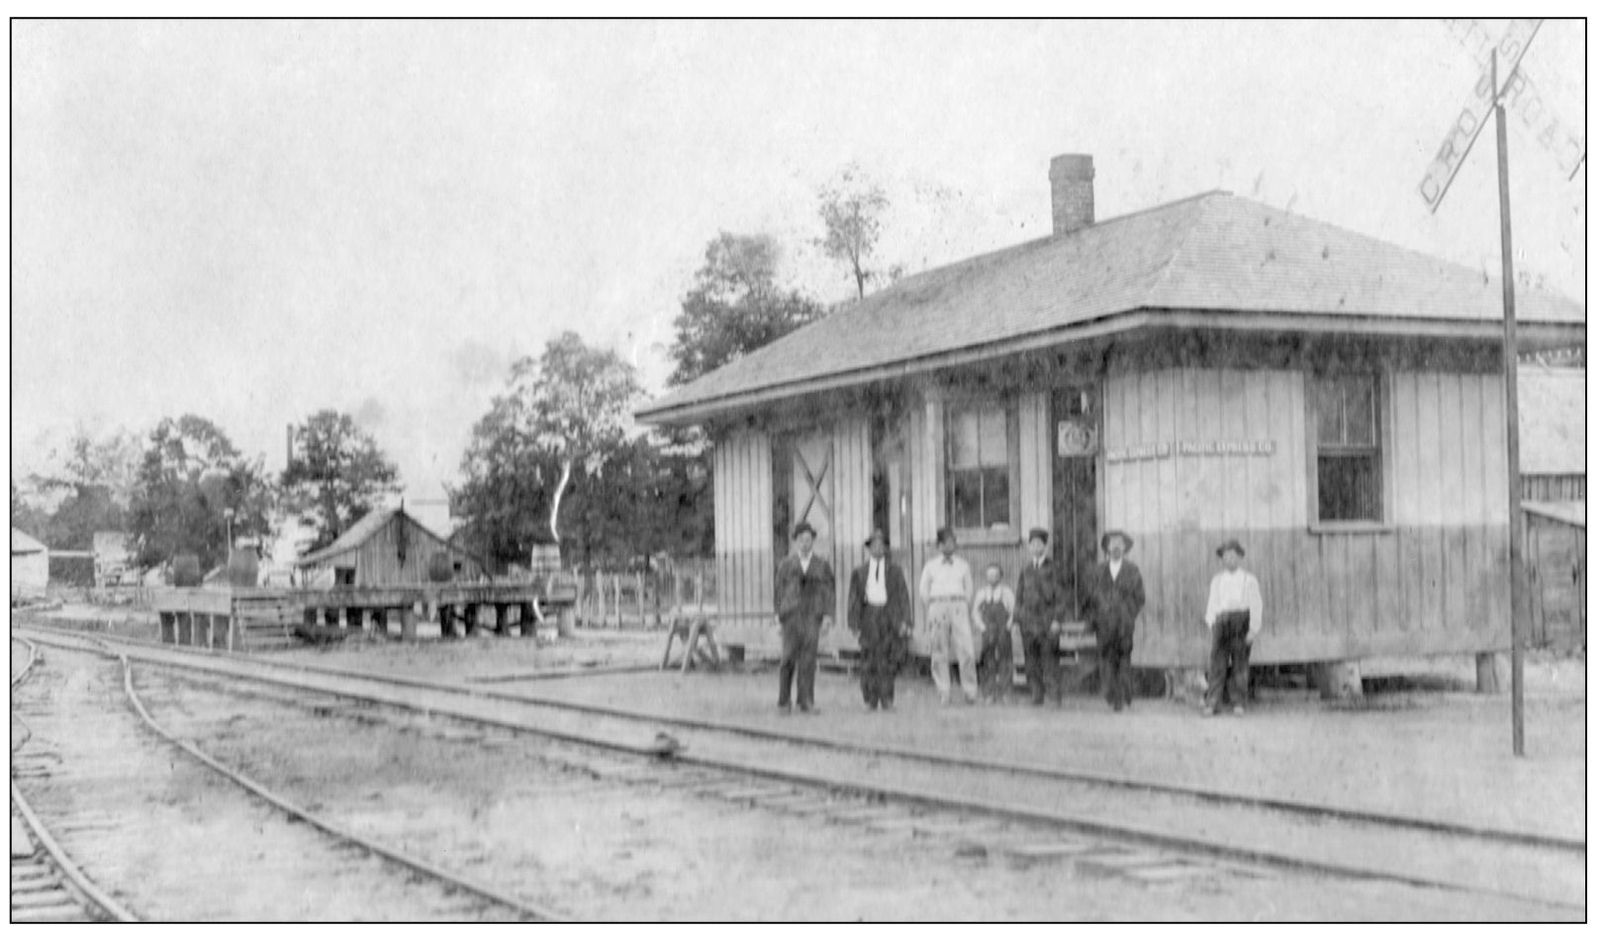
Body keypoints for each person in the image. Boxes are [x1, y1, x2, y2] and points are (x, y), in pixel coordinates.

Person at [773, 521, 835, 714]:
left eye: (808, 540)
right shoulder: (785, 564)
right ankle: (784, 702)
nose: (805, 543)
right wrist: (777, 616)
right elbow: (778, 592)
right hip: (791, 616)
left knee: (808, 661)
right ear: (796, 542)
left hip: (812, 618)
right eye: (801, 540)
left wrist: (827, 616)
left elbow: (830, 592)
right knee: (787, 659)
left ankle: (806, 701)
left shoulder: (822, 565)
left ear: (813, 541)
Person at [847, 528, 911, 711]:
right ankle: (869, 700)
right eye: (874, 546)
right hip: (869, 616)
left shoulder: (895, 571)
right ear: (868, 549)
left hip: (888, 616)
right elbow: (854, 598)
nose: (877, 549)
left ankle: (887, 699)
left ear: (886, 549)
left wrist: (905, 621)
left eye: (881, 545)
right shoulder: (860, 572)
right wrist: (854, 623)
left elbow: (903, 596)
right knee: (868, 659)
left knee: (887, 659)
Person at [1082, 530, 1145, 711]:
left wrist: (1127, 614)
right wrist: (1096, 617)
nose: (1116, 547)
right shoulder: (1098, 571)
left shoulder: (1132, 570)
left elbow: (1139, 597)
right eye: (1112, 543)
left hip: (1124, 624)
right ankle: (1111, 697)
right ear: (1107, 548)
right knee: (1106, 660)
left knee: (1124, 659)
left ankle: (1125, 698)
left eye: (1120, 543)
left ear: (1125, 548)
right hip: (1104, 624)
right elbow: (1090, 597)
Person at [1202, 538, 1263, 717]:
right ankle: (1213, 702)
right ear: (1222, 560)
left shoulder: (1248, 579)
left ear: (1240, 558)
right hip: (1221, 622)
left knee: (1240, 664)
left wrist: (1253, 629)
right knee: (1217, 664)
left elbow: (1256, 605)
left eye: (1233, 556)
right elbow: (1212, 603)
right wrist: (1211, 622)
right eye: (1226, 557)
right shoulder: (1217, 580)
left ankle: (1239, 703)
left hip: (1241, 622)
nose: (1230, 560)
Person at [918, 527, 977, 705]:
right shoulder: (931, 566)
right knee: (938, 650)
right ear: (939, 545)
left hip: (958, 605)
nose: (949, 545)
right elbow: (923, 590)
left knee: (966, 649)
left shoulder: (962, 565)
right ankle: (944, 691)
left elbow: (969, 590)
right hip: (938, 606)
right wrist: (935, 605)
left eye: (952, 542)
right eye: (945, 542)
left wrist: (960, 604)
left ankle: (970, 691)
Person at [1014, 528, 1062, 706]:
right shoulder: (1025, 569)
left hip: (1048, 622)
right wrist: (1017, 619)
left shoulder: (1054, 568)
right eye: (1032, 544)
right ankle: (1036, 695)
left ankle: (1054, 697)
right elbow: (1019, 596)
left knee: (1049, 660)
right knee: (1031, 661)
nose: (1035, 547)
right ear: (1028, 547)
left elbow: (1061, 597)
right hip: (1028, 623)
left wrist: (1057, 620)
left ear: (1045, 546)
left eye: (1039, 544)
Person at [972, 562, 1016, 703]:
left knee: (1005, 660)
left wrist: (1008, 626)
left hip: (1003, 630)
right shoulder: (982, 593)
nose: (992, 578)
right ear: (986, 576)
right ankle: (989, 693)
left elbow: (1014, 611)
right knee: (988, 661)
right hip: (987, 630)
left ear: (1001, 576)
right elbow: (975, 613)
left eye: (995, 575)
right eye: (990, 575)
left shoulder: (1007, 592)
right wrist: (982, 627)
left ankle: (1006, 693)